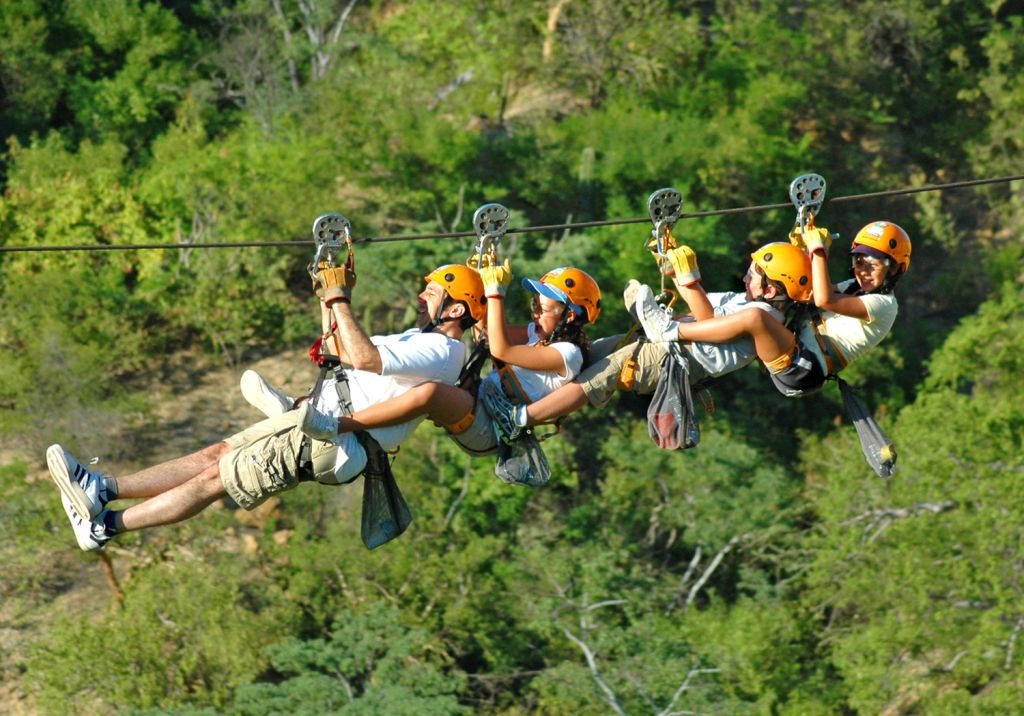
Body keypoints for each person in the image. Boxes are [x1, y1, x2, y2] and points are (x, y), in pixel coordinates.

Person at [46, 262, 487, 551]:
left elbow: (366, 357)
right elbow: (344, 350)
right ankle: (101, 489)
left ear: (458, 308)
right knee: (214, 457)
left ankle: (102, 528)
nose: (420, 298)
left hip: (330, 439)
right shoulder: (419, 342)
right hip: (317, 423)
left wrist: (340, 300)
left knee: (214, 480)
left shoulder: (442, 352)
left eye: (431, 293)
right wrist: (327, 300)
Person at [249, 262, 603, 458]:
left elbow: (500, 350)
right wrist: (483, 269)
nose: (536, 308)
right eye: (535, 302)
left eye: (546, 304)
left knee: (432, 391)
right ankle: (299, 405)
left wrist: (495, 291)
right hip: (480, 404)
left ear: (571, 315)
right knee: (421, 375)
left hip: (489, 428)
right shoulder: (531, 334)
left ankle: (340, 425)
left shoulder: (567, 354)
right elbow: (482, 331)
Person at [482, 241, 809, 439]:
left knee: (608, 370)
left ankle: (521, 419)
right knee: (599, 350)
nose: (745, 275)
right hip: (675, 345)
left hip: (683, 359)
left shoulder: (766, 320)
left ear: (770, 289)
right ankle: (660, 327)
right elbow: (705, 313)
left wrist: (686, 290)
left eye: (753, 273)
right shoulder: (746, 302)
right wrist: (678, 268)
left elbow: (711, 323)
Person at [635, 221, 911, 397]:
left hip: (803, 369)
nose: (863, 271)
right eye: (859, 262)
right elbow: (815, 291)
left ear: (896, 269)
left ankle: (670, 331)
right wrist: (803, 245)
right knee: (735, 311)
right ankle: (673, 305)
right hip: (794, 348)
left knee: (755, 317)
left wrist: (818, 252)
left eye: (873, 265)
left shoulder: (884, 305)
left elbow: (825, 300)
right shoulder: (855, 286)